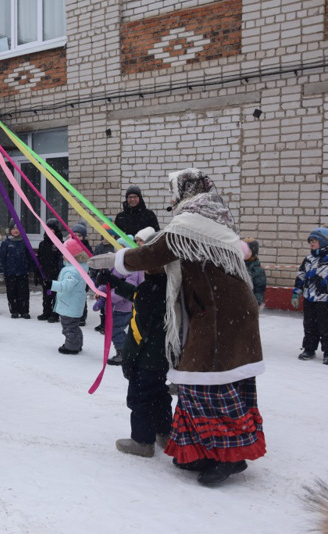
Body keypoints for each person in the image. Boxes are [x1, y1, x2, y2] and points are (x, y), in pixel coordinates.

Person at [88, 168, 266, 486]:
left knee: (204, 385)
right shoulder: (214, 216)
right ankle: (203, 450)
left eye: (174, 192)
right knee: (207, 383)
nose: (172, 199)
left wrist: (118, 260)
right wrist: (126, 263)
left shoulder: (191, 222)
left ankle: (229, 457)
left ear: (186, 191)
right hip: (226, 312)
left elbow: (159, 251)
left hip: (218, 316)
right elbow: (169, 257)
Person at [102, 231, 172, 458]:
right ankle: (165, 433)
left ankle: (142, 442)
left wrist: (128, 358)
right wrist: (114, 283)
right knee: (160, 394)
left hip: (145, 358)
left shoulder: (149, 291)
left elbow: (137, 332)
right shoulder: (165, 287)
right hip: (162, 356)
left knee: (140, 398)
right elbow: (137, 295)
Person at [292, 227, 328, 366]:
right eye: (310, 240)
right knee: (309, 325)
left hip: (325, 299)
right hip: (309, 299)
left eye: (314, 240)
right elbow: (301, 276)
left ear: (323, 241)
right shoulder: (309, 259)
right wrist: (296, 293)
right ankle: (309, 349)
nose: (311, 243)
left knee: (326, 326)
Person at [94, 240, 143, 366]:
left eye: (120, 249)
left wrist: (110, 298)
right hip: (114, 307)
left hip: (123, 308)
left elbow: (127, 289)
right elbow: (108, 283)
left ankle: (123, 353)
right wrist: (100, 292)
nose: (117, 251)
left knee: (115, 330)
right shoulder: (115, 266)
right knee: (113, 329)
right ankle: (126, 351)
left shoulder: (131, 270)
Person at [50, 238, 89, 354]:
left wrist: (51, 284)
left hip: (70, 305)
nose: (62, 256)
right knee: (73, 326)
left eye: (65, 254)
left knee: (69, 327)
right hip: (73, 304)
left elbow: (66, 286)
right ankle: (76, 343)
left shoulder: (72, 271)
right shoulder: (79, 267)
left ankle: (71, 346)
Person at [0, 219, 34, 319]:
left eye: (18, 228)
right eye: (14, 228)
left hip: (22, 272)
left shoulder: (25, 242)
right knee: (11, 293)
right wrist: (1, 271)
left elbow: (30, 257)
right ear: (10, 230)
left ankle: (24, 311)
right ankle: (14, 310)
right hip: (10, 273)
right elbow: (2, 258)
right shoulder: (6, 243)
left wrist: (31, 270)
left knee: (23, 293)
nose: (16, 230)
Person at [35, 218, 64, 322]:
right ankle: (46, 311)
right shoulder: (42, 244)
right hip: (45, 274)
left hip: (56, 274)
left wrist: (60, 273)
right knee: (46, 294)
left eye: (52, 229)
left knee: (55, 295)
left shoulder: (60, 243)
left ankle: (55, 314)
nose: (50, 231)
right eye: (48, 228)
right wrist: (37, 274)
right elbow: (39, 260)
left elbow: (61, 260)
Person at [89, 225, 116, 334]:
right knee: (100, 301)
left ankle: (108, 325)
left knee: (108, 303)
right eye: (105, 235)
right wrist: (93, 273)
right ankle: (102, 323)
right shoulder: (99, 247)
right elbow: (94, 260)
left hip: (110, 278)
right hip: (100, 278)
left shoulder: (113, 247)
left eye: (110, 235)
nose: (107, 237)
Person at [71, 222, 93, 326]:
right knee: (72, 296)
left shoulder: (87, 247)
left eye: (79, 235)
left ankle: (82, 317)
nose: (77, 237)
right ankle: (73, 315)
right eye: (75, 235)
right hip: (72, 275)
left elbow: (89, 260)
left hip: (83, 276)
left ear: (83, 237)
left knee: (81, 296)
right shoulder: (68, 245)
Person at [242, 238, 267, 306]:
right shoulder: (237, 265)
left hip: (249, 304)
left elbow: (259, 290)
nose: (244, 253)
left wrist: (255, 304)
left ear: (253, 252)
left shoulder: (258, 271)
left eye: (247, 251)